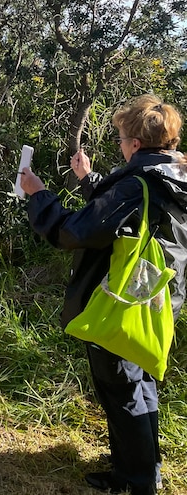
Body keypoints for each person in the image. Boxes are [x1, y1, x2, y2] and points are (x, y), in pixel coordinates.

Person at [19, 94, 187, 495]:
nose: (119, 144)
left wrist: (38, 194)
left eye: (120, 137)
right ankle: (145, 467)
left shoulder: (136, 183)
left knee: (121, 388)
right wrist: (90, 181)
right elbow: (133, 215)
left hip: (121, 300)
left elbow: (75, 232)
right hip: (159, 298)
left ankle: (135, 481)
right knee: (141, 381)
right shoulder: (175, 175)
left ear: (134, 143)